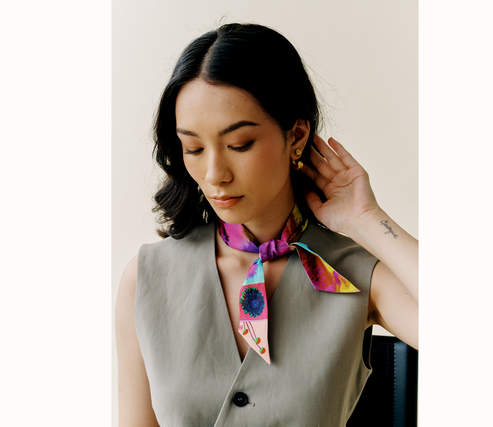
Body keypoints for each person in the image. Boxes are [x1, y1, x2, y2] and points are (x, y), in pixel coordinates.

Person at [115, 23, 418, 427]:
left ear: (295, 136)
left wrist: (366, 219)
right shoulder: (147, 278)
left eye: (239, 145)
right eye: (193, 148)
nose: (214, 173)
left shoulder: (356, 275)